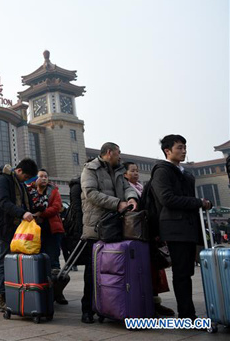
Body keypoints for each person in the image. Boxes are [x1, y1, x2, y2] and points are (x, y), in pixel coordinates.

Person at [151, 134, 212, 321]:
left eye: (185, 147)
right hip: (175, 228)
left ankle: (190, 313)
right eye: (179, 148)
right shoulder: (162, 171)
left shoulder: (184, 172)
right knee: (182, 273)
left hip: (190, 227)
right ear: (167, 151)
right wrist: (198, 202)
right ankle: (187, 316)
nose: (183, 151)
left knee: (187, 272)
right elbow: (166, 198)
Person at [80, 142, 139, 323]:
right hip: (97, 226)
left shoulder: (119, 170)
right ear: (108, 152)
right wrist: (117, 203)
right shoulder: (90, 169)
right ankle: (87, 309)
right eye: (118, 153)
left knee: (115, 270)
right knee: (92, 271)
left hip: (117, 225)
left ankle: (112, 306)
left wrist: (131, 197)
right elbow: (91, 193)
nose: (120, 156)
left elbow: (127, 186)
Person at [123, 161, 175, 317]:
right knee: (141, 269)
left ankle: (155, 303)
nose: (136, 173)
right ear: (124, 174)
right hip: (136, 234)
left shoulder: (141, 187)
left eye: (137, 170)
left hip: (149, 233)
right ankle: (145, 304)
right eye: (132, 171)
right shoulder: (125, 190)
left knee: (154, 270)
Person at [0, 158, 38, 312]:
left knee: (17, 262)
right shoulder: (2, 179)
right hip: (3, 228)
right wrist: (22, 213)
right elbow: (3, 202)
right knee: (2, 261)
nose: (26, 180)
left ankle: (17, 293)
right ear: (19, 171)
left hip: (18, 229)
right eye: (26, 177)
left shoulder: (20, 183)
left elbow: (26, 203)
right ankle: (2, 296)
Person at [27, 169, 66, 304]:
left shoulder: (53, 191)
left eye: (45, 176)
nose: (43, 179)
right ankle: (41, 293)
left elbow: (56, 207)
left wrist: (40, 214)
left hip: (52, 230)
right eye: (41, 176)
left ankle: (58, 292)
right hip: (35, 231)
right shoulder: (29, 191)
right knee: (38, 262)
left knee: (54, 262)